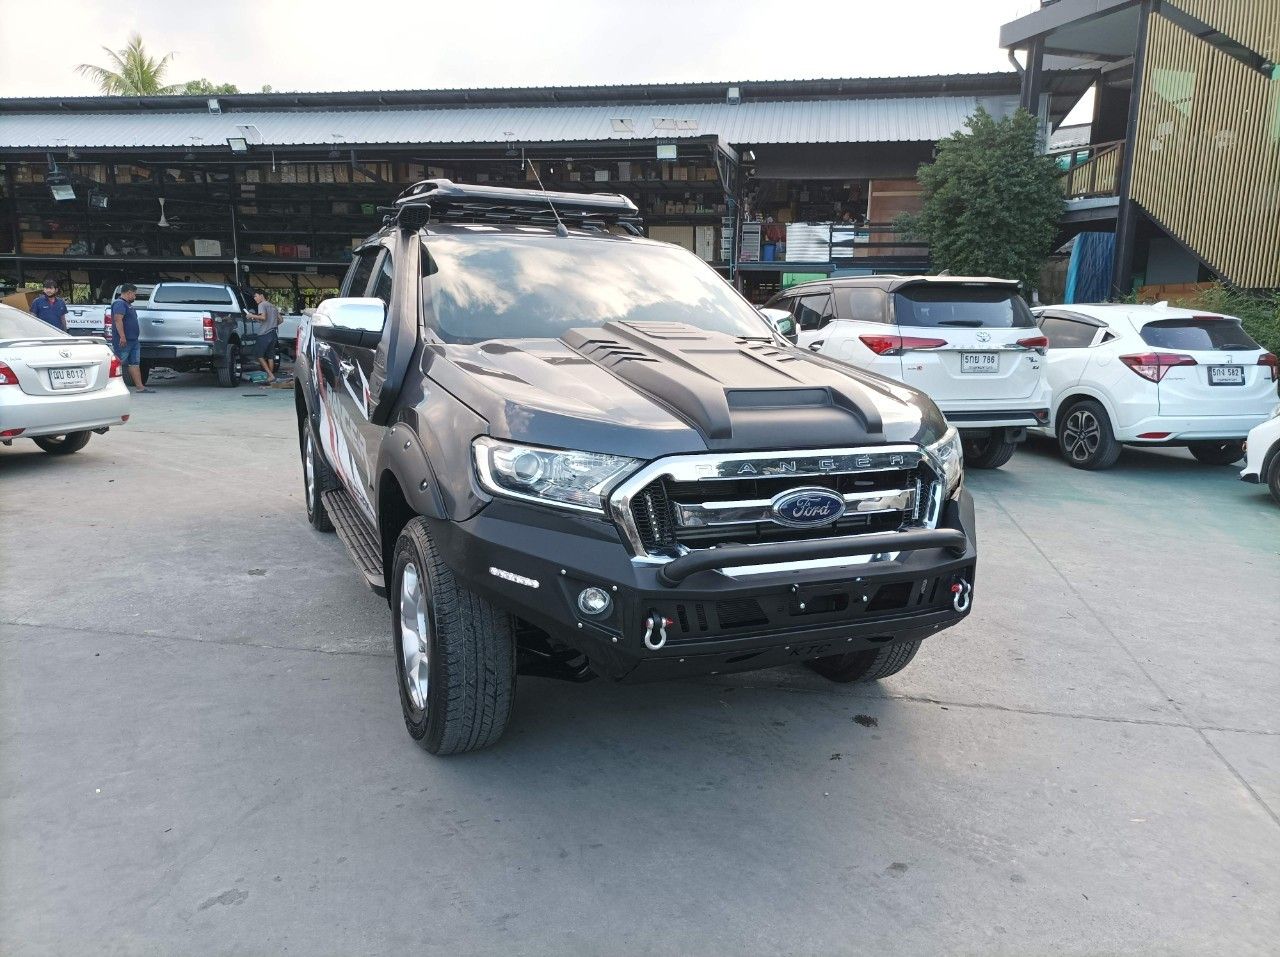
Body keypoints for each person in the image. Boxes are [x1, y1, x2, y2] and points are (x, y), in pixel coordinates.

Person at [111, 283, 155, 394]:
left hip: (133, 340)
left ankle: (140, 387)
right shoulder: (119, 304)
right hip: (124, 341)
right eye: (134, 294)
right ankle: (110, 387)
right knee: (118, 363)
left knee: (134, 363)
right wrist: (122, 337)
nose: (135, 297)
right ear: (129, 292)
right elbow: (118, 320)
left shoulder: (128, 305)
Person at [244, 289, 282, 384]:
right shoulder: (272, 306)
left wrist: (251, 315)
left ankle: (270, 375)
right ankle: (270, 378)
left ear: (261, 295)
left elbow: (263, 317)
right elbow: (281, 320)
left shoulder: (262, 305)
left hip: (264, 334)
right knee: (270, 356)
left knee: (259, 355)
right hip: (273, 334)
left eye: (256, 296)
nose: (255, 298)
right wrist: (272, 324)